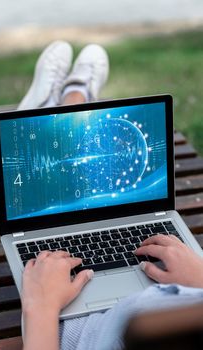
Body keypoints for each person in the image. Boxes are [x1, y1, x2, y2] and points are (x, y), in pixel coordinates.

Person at [19, 41, 203, 350]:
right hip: (183, 288)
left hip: (68, 325)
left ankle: (59, 103)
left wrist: (41, 308)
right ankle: (71, 98)